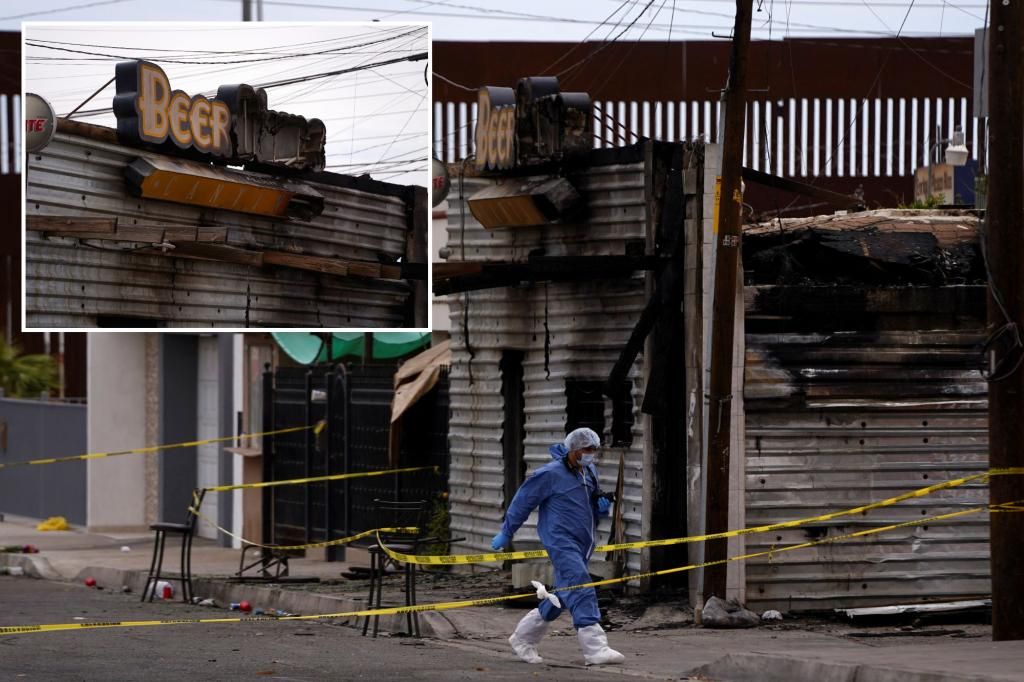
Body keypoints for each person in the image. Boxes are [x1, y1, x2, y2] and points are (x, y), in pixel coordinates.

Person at [490, 427, 625, 666]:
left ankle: (523, 639)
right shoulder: (549, 474)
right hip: (561, 541)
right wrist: (506, 531)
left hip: (584, 542)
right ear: (573, 449)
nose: (591, 454)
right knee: (581, 584)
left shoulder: (588, 471)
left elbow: (589, 505)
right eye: (587, 449)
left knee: (562, 595)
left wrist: (601, 507)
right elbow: (523, 501)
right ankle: (595, 648)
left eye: (594, 449)